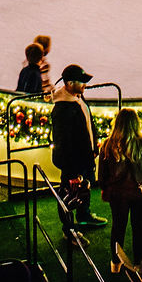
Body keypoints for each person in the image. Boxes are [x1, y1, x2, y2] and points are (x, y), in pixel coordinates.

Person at [50, 65, 103, 231]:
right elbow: (64, 143)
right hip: (73, 163)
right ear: (69, 83)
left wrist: (93, 146)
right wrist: (72, 172)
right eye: (81, 82)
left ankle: (83, 216)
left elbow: (87, 124)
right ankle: (69, 230)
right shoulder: (63, 110)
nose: (84, 85)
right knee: (68, 195)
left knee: (84, 190)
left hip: (84, 157)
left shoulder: (77, 98)